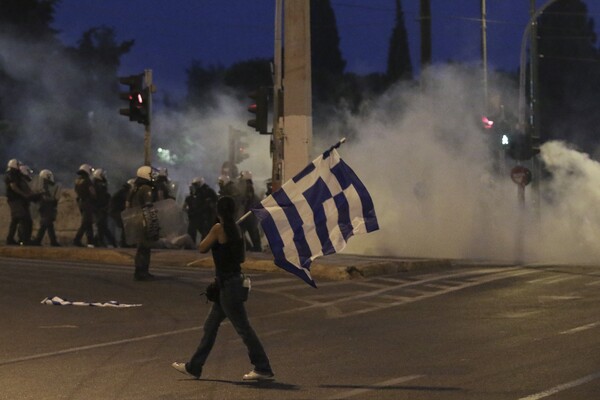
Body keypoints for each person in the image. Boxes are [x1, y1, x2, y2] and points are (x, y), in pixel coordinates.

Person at [171, 196, 274, 381]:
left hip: (229, 287)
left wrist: (213, 232)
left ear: (218, 211)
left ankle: (262, 367)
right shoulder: (237, 229)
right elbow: (241, 258)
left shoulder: (219, 228)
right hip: (230, 283)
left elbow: (202, 247)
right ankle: (194, 366)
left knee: (243, 328)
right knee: (210, 326)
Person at [127, 166, 157, 281]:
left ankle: (138, 271)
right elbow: (148, 205)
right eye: (150, 174)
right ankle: (143, 272)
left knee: (140, 247)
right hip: (144, 220)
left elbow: (128, 204)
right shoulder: (146, 188)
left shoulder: (135, 188)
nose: (152, 176)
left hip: (135, 219)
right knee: (145, 247)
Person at [5, 160, 38, 245]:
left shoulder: (12, 174)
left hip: (14, 200)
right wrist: (24, 195)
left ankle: (10, 239)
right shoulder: (13, 174)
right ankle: (24, 240)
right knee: (24, 219)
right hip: (16, 200)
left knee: (15, 220)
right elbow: (14, 187)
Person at [184, 176, 217, 243]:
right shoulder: (198, 192)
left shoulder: (208, 191)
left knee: (205, 231)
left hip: (206, 215)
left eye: (195, 184)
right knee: (193, 230)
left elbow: (214, 201)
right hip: (198, 214)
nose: (194, 186)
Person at [33, 169, 61, 246]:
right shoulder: (44, 186)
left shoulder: (42, 185)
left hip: (44, 206)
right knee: (47, 224)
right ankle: (50, 241)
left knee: (47, 224)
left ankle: (39, 240)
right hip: (46, 206)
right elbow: (46, 197)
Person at [237, 171, 262, 252]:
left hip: (249, 214)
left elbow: (248, 200)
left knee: (252, 232)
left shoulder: (248, 187)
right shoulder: (247, 187)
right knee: (241, 232)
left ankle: (256, 249)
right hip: (248, 214)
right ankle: (253, 248)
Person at [92, 168, 116, 247]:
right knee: (102, 226)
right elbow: (101, 197)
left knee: (102, 226)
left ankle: (98, 241)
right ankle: (105, 242)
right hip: (100, 208)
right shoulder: (99, 185)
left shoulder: (98, 184)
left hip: (100, 208)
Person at [73, 164, 96, 247]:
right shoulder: (87, 180)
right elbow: (92, 192)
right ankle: (77, 240)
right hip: (87, 203)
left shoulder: (77, 180)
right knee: (86, 222)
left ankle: (91, 242)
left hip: (80, 202)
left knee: (88, 222)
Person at [109, 179, 134, 247]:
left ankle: (123, 243)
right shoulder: (125, 191)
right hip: (116, 211)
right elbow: (127, 202)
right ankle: (124, 243)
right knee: (125, 224)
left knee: (124, 225)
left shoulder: (123, 190)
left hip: (114, 210)